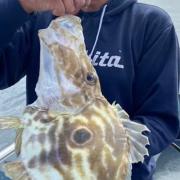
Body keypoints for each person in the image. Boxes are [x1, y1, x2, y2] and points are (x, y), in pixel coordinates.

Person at [0, 0, 179, 179]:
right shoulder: (39, 16)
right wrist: (20, 5)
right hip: (44, 169)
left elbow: (161, 119)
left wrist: (108, 147)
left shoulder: (151, 24)